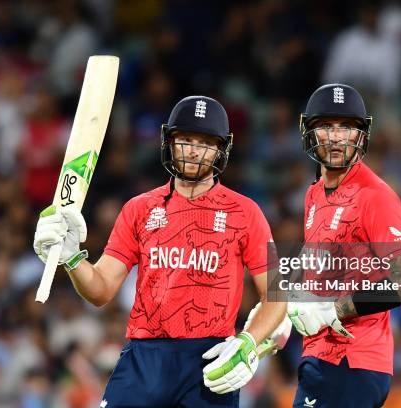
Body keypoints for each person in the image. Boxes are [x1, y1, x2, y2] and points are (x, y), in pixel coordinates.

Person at [33, 95, 288, 407]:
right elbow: (100, 291)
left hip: (209, 359)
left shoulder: (246, 212)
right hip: (144, 357)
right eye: (186, 140)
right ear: (170, 141)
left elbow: (279, 293)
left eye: (205, 142)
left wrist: (248, 343)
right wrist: (73, 258)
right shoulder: (139, 208)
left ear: (221, 149)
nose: (194, 150)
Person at [287, 84, 401, 408]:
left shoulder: (375, 195)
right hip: (321, 356)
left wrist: (333, 309)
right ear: (309, 132)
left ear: (362, 135)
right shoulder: (313, 195)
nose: (336, 137)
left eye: (347, 126)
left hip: (353, 358)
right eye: (326, 126)